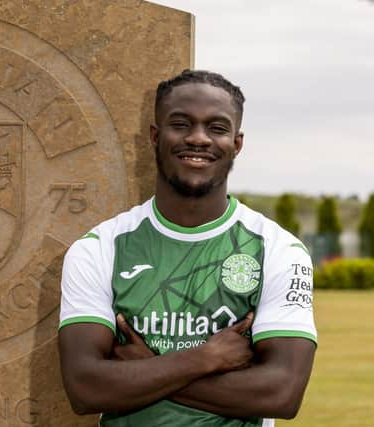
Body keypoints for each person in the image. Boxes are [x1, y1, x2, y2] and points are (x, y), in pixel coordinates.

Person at [58, 70, 317, 427]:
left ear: (236, 143)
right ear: (154, 136)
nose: (198, 138)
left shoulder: (279, 249)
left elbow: (281, 393)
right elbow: (84, 388)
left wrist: (146, 367)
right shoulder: (98, 248)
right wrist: (205, 359)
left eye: (217, 128)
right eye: (181, 124)